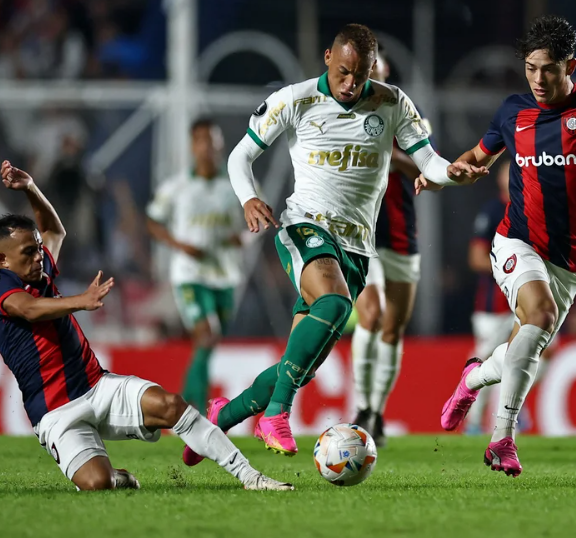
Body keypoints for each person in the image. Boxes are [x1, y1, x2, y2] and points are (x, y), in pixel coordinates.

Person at [182, 23, 486, 464]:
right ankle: (276, 415)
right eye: (343, 72)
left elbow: (428, 161)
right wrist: (249, 197)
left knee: (300, 365)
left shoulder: (391, 101)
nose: (350, 84)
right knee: (338, 305)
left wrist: (450, 172)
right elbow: (240, 155)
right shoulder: (296, 99)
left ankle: (217, 420)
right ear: (328, 57)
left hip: (358, 247)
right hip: (303, 226)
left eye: (359, 76)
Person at [421, 15, 576, 477]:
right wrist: (448, 173)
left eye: (548, 69)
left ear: (570, 65)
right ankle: (502, 440)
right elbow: (477, 157)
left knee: (528, 344)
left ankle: (472, 379)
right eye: (531, 68)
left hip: (570, 262)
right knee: (538, 317)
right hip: (516, 239)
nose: (537, 79)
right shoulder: (512, 112)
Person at [0, 160, 292, 491]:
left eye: (38, 249)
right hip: (54, 411)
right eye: (29, 252)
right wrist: (79, 301)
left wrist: (30, 188)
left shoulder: (40, 272)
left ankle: (251, 477)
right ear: (3, 259)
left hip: (97, 385)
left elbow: (55, 231)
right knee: (97, 483)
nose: (39, 256)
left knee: (172, 405)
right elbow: (28, 310)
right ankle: (115, 476)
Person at [350, 46, 426, 447]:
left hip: (401, 234)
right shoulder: (344, 115)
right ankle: (361, 405)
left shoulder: (406, 114)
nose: (368, 82)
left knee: (393, 330)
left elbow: (424, 168)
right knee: (373, 313)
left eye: (373, 74)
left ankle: (377, 411)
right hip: (362, 232)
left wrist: (390, 155)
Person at [146, 118, 244, 410]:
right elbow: (152, 221)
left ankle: (188, 405)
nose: (206, 146)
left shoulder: (236, 185)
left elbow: (258, 221)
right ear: (192, 146)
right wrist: (180, 246)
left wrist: (245, 239)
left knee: (210, 342)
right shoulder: (177, 186)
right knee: (206, 334)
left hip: (225, 274)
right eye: (200, 140)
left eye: (211, 140)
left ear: (220, 144)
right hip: (189, 274)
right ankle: (193, 409)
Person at [463, 160, 515, 435]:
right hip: (493, 307)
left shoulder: (531, 207)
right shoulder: (494, 210)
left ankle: (513, 406)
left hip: (523, 303)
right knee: (485, 361)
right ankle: (473, 423)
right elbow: (476, 258)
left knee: (546, 352)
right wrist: (515, 268)